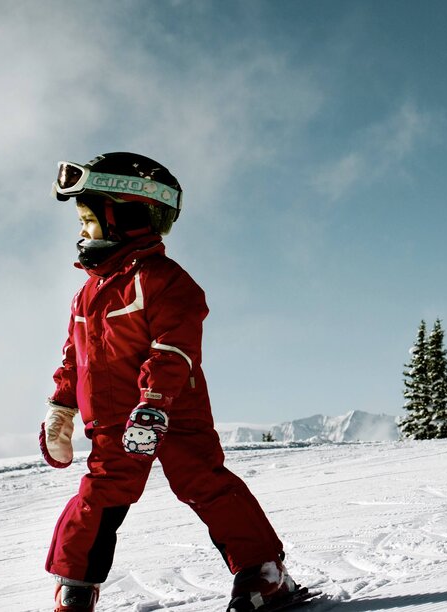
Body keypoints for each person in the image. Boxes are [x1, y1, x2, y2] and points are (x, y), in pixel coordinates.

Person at [37, 153, 304, 612]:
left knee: (203, 481)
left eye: (89, 221)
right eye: (81, 222)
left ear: (127, 218)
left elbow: (173, 350)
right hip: (113, 420)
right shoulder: (87, 293)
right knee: (100, 494)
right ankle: (75, 585)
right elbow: (73, 357)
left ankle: (264, 571)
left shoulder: (165, 281)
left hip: (172, 412)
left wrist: (155, 402)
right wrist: (61, 406)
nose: (82, 232)